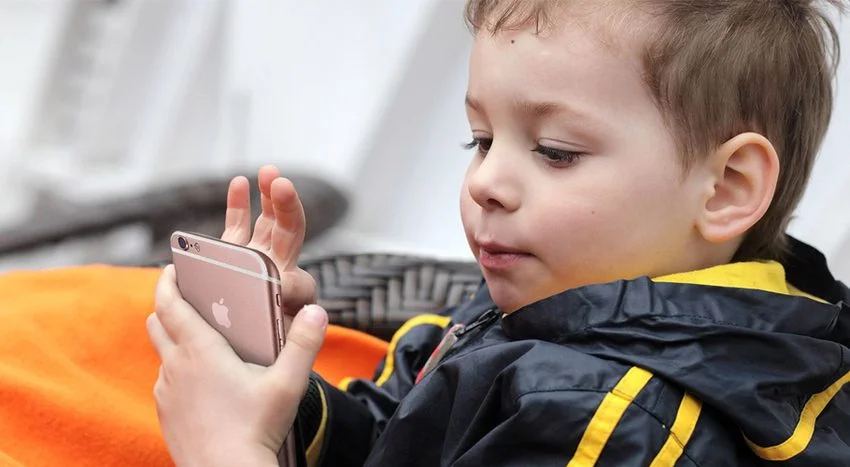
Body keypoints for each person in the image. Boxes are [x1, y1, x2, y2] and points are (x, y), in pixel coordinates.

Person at [146, 0, 850, 465]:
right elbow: (394, 438)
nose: (486, 181)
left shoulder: (618, 427)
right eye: (480, 139)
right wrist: (274, 383)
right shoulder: (547, 297)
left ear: (726, 188)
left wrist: (227, 449)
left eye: (555, 151)